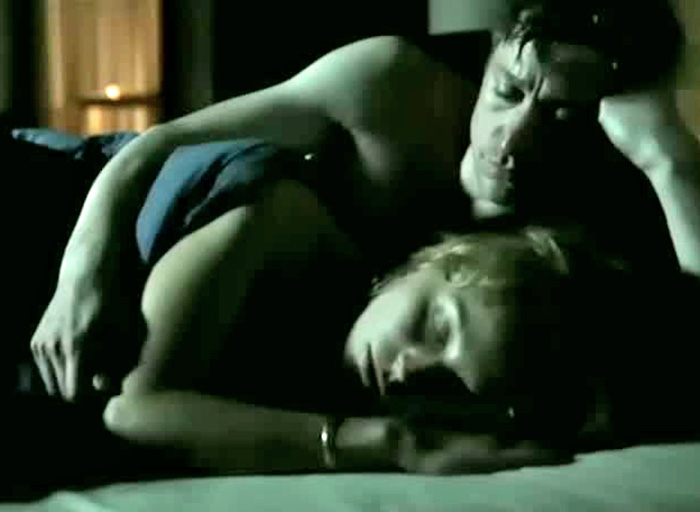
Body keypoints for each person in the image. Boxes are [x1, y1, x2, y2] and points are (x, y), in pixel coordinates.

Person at [31, 0, 700, 408]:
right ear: (491, 57)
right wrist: (79, 275)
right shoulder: (390, 89)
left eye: (560, 117)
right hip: (77, 191)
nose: (513, 137)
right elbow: (153, 147)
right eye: (507, 91)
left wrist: (671, 161)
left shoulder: (595, 218)